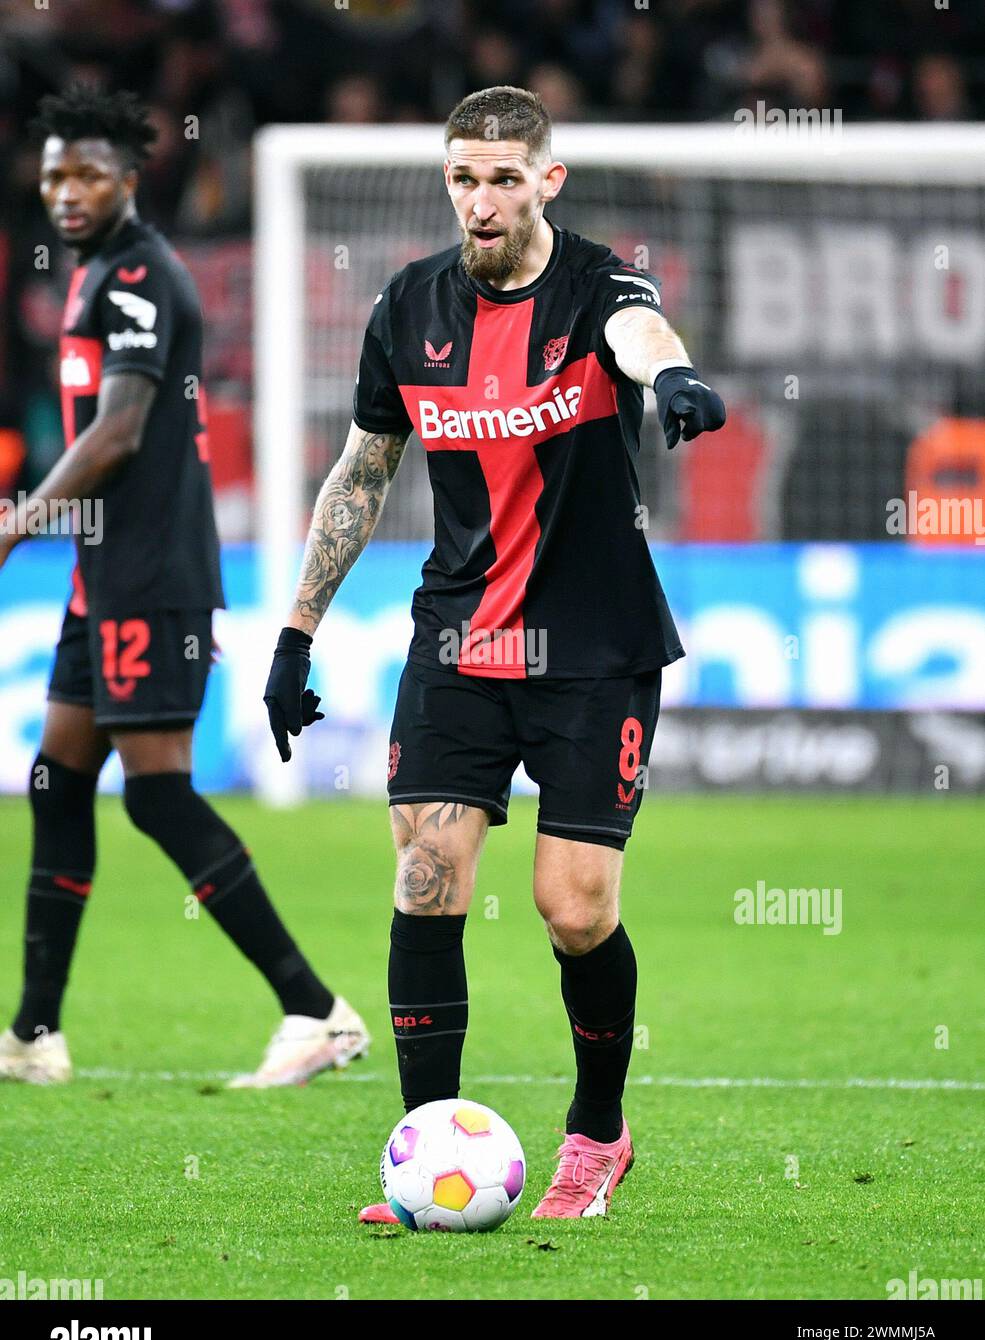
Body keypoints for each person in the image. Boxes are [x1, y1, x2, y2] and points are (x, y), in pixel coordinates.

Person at [263, 85, 725, 1217]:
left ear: (545, 183)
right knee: (425, 885)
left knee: (574, 910)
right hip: (459, 640)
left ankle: (596, 1133)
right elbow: (364, 472)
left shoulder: (597, 285)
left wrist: (669, 376)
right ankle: (421, 1149)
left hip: (593, 648)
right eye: (463, 177)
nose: (481, 199)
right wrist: (295, 629)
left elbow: (639, 331)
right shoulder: (407, 306)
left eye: (504, 178)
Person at [0, 86, 368, 1088]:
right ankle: (34, 1033)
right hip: (104, 574)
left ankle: (314, 1009)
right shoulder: (96, 276)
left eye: (86, 174)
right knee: (58, 781)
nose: (64, 192)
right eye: (52, 175)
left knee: (158, 799)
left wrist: (17, 522)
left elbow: (118, 432)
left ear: (130, 177)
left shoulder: (135, 280)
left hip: (151, 575)